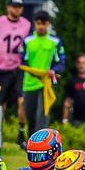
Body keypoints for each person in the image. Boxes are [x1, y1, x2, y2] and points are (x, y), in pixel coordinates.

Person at [19, 10, 65, 140]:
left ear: (49, 24)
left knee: (43, 115)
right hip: (30, 83)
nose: (41, 26)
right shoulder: (28, 41)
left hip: (46, 84)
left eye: (43, 24)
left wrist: (54, 71)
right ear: (34, 24)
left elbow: (61, 61)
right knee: (30, 115)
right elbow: (23, 61)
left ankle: (41, 142)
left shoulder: (55, 42)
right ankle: (31, 142)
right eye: (38, 23)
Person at [0, 0, 31, 117]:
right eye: (14, 7)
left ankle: (21, 131)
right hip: (3, 68)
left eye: (19, 7)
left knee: (22, 99)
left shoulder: (27, 25)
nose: (16, 10)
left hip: (19, 68)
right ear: (8, 7)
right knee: (0, 102)